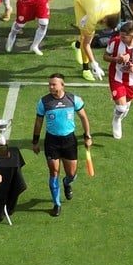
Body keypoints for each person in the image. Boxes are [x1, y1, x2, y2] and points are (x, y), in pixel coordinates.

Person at [31, 73, 93, 218]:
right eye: (50, 84)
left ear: (62, 85)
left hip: (69, 141)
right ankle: (57, 204)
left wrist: (87, 136)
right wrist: (35, 141)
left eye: (54, 84)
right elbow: (38, 122)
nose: (51, 87)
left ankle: (66, 183)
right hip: (52, 142)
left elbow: (83, 117)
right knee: (54, 172)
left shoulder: (73, 99)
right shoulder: (44, 102)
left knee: (71, 174)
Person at [72, 0, 122, 81]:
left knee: (86, 37)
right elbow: (87, 44)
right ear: (105, 19)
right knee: (84, 37)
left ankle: (76, 45)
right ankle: (86, 69)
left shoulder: (116, 5)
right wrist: (94, 64)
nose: (103, 25)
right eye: (105, 24)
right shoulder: (92, 19)